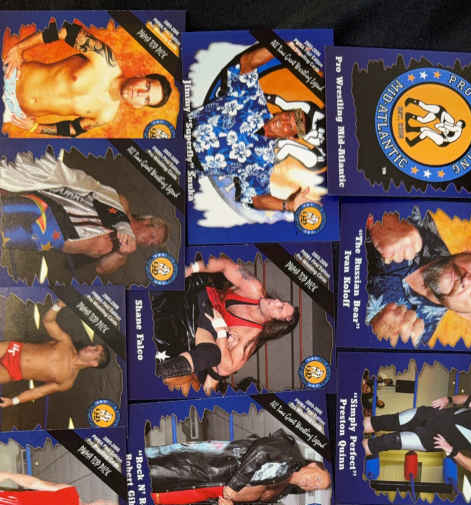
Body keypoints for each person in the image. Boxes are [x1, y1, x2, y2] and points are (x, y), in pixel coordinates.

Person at [365, 210, 471, 346]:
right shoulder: (414, 215)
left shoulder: (412, 340)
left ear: (468, 315)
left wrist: (372, 336)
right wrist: (376, 221)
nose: (468, 280)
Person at [189, 46, 317, 214]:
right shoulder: (252, 99)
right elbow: (247, 63)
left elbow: (257, 199)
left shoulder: (263, 161)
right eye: (288, 116)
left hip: (188, 163)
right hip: (182, 126)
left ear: (291, 137)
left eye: (289, 127)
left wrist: (289, 205)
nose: (283, 122)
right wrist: (280, 48)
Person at [0, 151, 169, 276]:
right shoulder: (123, 206)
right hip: (50, 211)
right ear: (147, 222)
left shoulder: (122, 255)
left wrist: (121, 253)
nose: (149, 242)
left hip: (47, 239)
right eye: (152, 236)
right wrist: (123, 226)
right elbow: (101, 196)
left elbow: (101, 269)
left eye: (152, 244)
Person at [2, 17, 172, 136]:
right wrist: (20, 48)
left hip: (14, 113)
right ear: (141, 76)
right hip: (11, 77)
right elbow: (66, 31)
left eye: (147, 99)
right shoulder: (105, 60)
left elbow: (73, 129)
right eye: (147, 85)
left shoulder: (105, 115)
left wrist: (35, 128)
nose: (141, 93)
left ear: (138, 106)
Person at [154, 254, 299, 392]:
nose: (276, 301)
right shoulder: (254, 289)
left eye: (280, 308)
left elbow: (226, 368)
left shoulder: (250, 337)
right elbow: (225, 265)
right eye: (282, 302)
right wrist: (191, 269)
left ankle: (162, 371)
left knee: (212, 354)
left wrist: (222, 334)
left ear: (276, 323)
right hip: (200, 297)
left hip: (203, 327)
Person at [146, 428, 331, 505]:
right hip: (201, 468)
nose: (311, 484)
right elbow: (261, 450)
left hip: (205, 495)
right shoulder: (289, 452)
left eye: (316, 487)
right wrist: (235, 485)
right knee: (149, 473)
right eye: (316, 479)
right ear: (313, 465)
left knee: (152, 502)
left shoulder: (283, 491)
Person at [362, 392, 471, 478]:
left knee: (386, 442)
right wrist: (449, 400)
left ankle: (350, 450)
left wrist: (452, 452)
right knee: (383, 421)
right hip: (427, 414)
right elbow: (467, 399)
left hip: (430, 439)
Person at [0, 300, 110, 410]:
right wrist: (58, 305)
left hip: (11, 372)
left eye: (94, 350)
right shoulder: (66, 343)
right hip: (12, 349)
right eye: (93, 346)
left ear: (94, 363)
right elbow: (48, 322)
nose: (89, 347)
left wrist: (13, 401)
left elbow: (39, 392)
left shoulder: (67, 381)